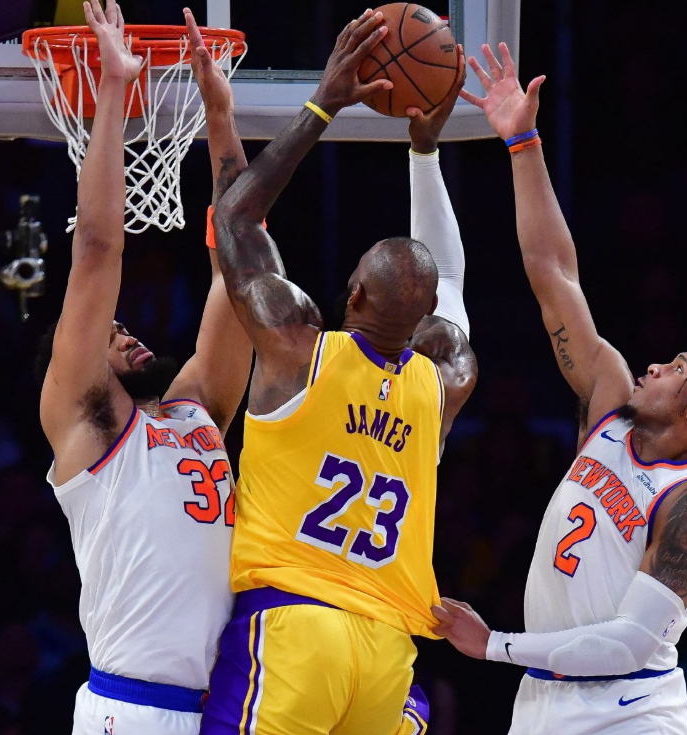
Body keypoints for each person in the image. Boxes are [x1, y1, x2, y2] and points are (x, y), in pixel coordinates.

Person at [430, 43, 687, 735]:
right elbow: (554, 273)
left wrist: (492, 645)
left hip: (629, 707)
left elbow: (626, 645)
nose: (654, 366)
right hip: (544, 696)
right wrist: (521, 142)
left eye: (676, 368)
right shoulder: (611, 404)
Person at [200, 9, 477, 734]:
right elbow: (448, 276)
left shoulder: (297, 346)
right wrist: (424, 152)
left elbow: (235, 222)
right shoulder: (444, 381)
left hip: (295, 626)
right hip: (386, 648)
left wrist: (323, 103)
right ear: (425, 317)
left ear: (352, 294)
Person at [36, 3, 253, 733]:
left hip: (221, 709)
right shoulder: (86, 424)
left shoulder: (195, 408)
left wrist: (219, 118)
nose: (124, 332)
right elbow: (98, 249)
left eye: (123, 326)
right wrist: (113, 90)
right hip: (129, 708)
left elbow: (241, 272)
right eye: (110, 332)